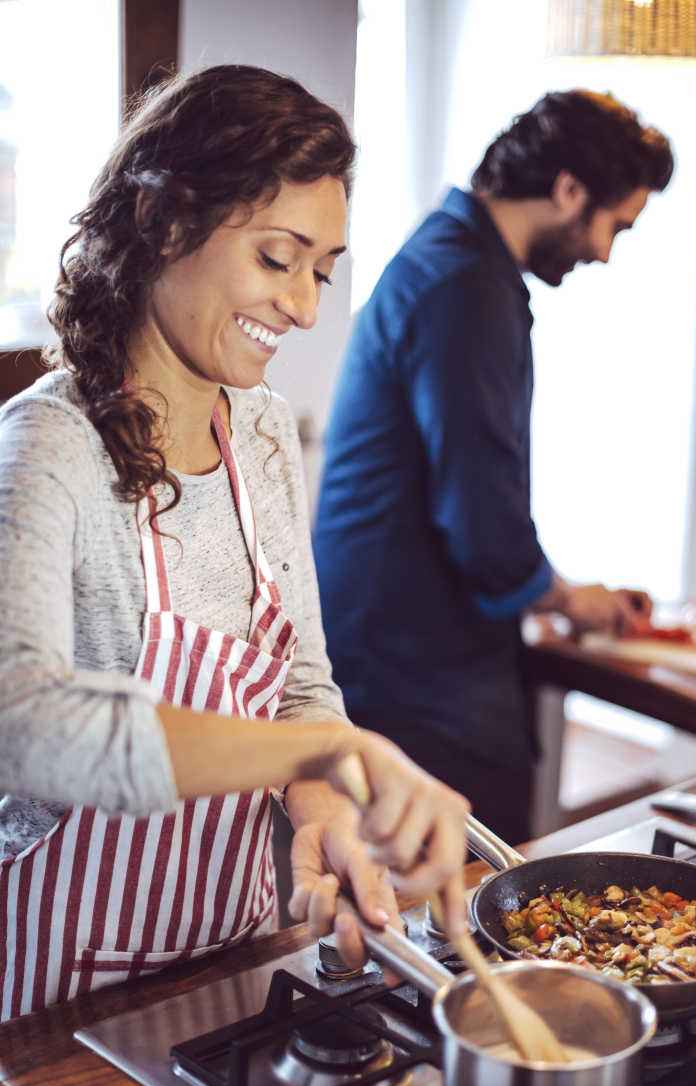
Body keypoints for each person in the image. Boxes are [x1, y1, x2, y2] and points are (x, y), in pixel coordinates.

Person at [0, 65, 469, 1021]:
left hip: (226, 953)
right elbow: (26, 727)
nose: (304, 306)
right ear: (166, 222)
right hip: (53, 1000)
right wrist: (334, 751)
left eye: (322, 270)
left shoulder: (257, 430)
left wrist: (322, 804)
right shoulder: (44, 446)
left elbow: (298, 676)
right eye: (277, 257)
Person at [314, 90, 674, 846]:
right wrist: (568, 596)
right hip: (415, 654)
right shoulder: (466, 284)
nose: (605, 250)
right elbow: (480, 511)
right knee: (477, 871)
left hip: (387, 632)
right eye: (616, 224)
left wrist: (552, 591)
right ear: (569, 190)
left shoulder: (451, 255)